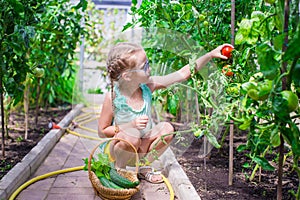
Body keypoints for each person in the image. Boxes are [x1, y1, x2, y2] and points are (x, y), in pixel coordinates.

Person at [98, 42, 233, 183]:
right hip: (123, 148)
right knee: (133, 135)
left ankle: (143, 168)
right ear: (127, 76)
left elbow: (182, 74)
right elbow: (102, 131)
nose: (149, 68)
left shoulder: (147, 87)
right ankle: (120, 169)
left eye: (148, 62)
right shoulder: (113, 96)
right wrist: (130, 125)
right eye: (144, 66)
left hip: (142, 147)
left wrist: (210, 54)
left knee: (167, 129)